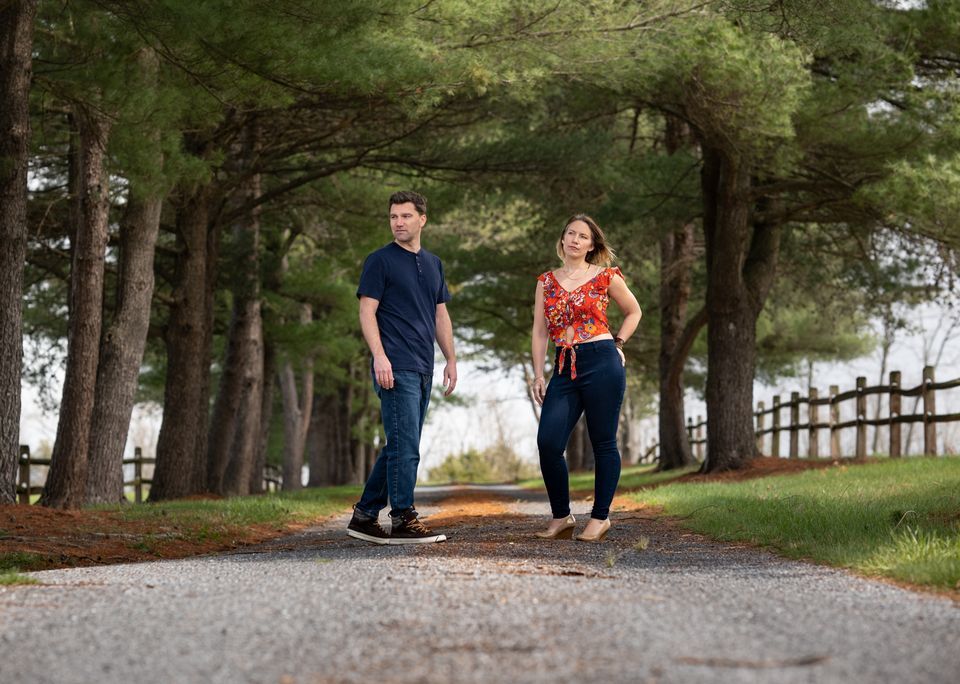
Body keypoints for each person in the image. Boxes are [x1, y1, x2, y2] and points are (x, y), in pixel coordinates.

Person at [346, 191, 457, 545]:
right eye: (394, 216)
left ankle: (364, 516)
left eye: (406, 216)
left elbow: (440, 314)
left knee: (399, 444)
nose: (398, 222)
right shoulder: (380, 261)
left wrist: (451, 358)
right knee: (406, 445)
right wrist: (379, 356)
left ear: (422, 219)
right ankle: (403, 518)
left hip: (424, 366)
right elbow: (367, 311)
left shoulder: (434, 263)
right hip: (395, 365)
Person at [530, 214, 642, 542]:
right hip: (564, 366)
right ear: (562, 239)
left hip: (602, 361)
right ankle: (561, 515)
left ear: (592, 245)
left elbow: (634, 311)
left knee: (603, 441)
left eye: (582, 236)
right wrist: (539, 374)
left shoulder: (606, 276)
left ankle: (600, 517)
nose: (575, 240)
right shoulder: (546, 281)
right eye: (570, 234)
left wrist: (618, 342)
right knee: (548, 442)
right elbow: (539, 332)